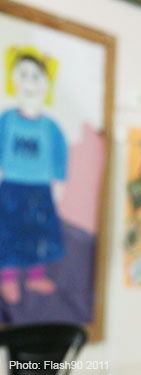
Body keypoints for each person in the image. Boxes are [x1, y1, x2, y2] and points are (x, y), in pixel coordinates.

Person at [0, 46, 65, 305]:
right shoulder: (7, 120)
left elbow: (59, 157)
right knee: (9, 232)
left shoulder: (51, 127)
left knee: (38, 234)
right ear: (14, 80)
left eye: (35, 76)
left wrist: (59, 183)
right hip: (11, 188)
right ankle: (8, 278)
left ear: (45, 84)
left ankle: (36, 275)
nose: (29, 82)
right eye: (23, 75)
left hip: (40, 189)